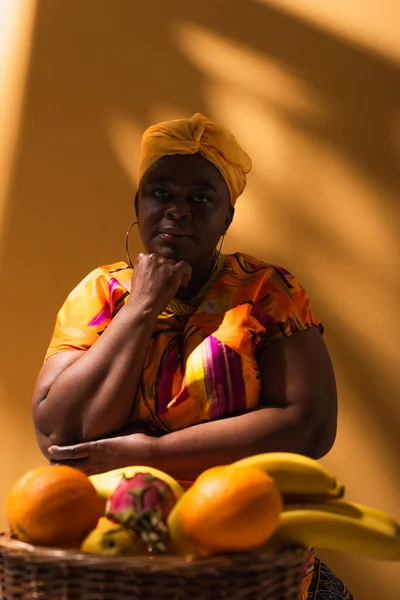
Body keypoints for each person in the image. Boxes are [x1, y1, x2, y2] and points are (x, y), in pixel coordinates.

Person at [32, 113, 353, 599]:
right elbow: (59, 432)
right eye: (160, 193)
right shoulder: (101, 293)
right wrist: (141, 306)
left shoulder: (266, 291)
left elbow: (310, 424)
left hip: (247, 567)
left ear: (226, 216)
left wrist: (154, 452)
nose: (177, 210)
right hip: (115, 564)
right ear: (137, 203)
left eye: (200, 198)